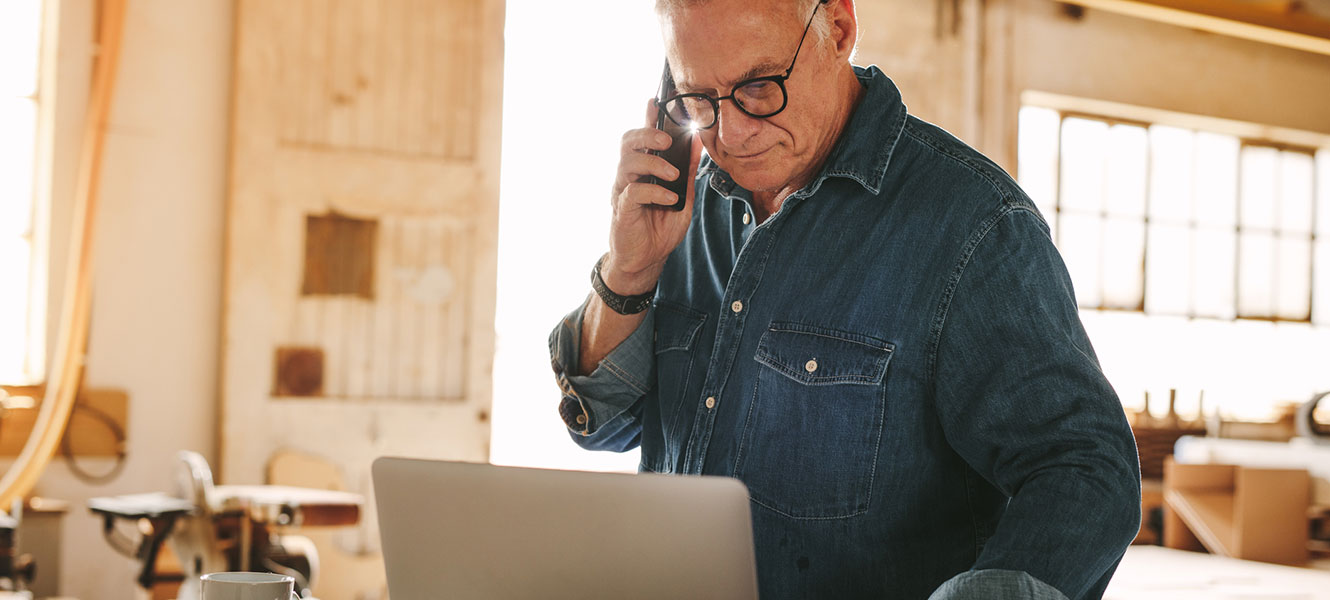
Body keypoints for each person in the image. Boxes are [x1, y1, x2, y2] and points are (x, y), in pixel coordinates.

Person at [547, 0, 1141, 598]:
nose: (731, 132)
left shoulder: (974, 227)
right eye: (697, 99)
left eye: (758, 86)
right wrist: (630, 272)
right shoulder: (681, 209)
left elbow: (1086, 470)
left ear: (838, 27)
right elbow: (602, 427)